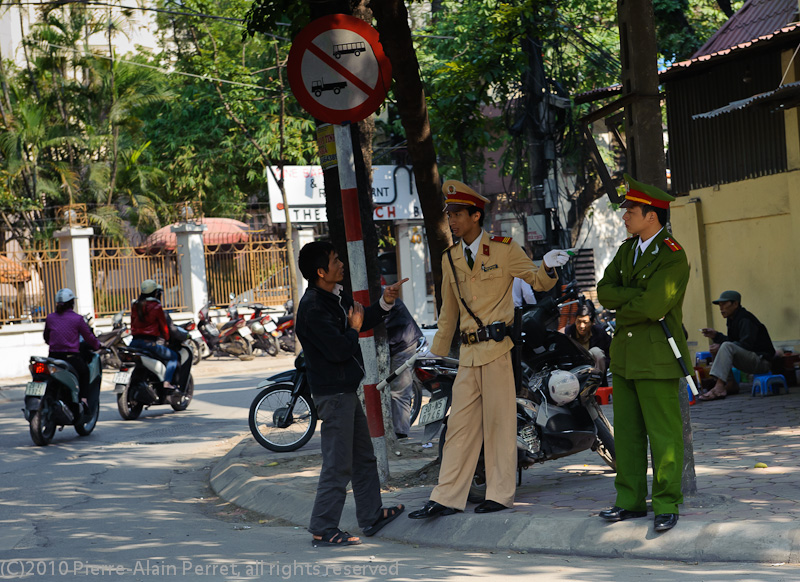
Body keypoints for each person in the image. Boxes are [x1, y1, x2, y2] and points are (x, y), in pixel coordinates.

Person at [408, 179, 567, 519]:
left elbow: (537, 281)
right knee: (459, 429)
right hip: (467, 355)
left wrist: (549, 265)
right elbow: (448, 312)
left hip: (497, 350)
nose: (451, 220)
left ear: (475, 216)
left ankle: (499, 493)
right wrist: (435, 349)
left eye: (457, 214)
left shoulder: (504, 249)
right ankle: (447, 496)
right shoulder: (450, 258)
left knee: (499, 426)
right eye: (449, 214)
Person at [295, 241, 406, 547]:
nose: (341, 264)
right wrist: (354, 329)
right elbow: (340, 349)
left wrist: (385, 301)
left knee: (363, 459)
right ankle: (323, 526)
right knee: (338, 463)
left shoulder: (333, 297)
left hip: (346, 391)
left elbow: (362, 318)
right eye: (334, 261)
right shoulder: (314, 308)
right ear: (320, 272)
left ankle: (371, 516)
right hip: (334, 395)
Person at [596, 174, 690, 534]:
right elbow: (604, 291)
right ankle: (629, 501)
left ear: (652, 215)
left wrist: (626, 302)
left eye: (631, 211)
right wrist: (630, 299)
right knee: (629, 435)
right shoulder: (625, 250)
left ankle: (666, 503)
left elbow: (655, 304)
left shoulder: (673, 256)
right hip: (625, 355)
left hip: (657, 357)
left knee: (664, 435)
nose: (624, 217)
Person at [698, 290, 775, 401]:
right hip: (749, 358)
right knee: (719, 346)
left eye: (724, 304)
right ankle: (730, 384)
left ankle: (719, 386)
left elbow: (745, 345)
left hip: (762, 361)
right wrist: (716, 335)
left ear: (735, 304)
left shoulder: (745, 319)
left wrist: (722, 345)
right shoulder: (732, 319)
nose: (721, 308)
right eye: (720, 305)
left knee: (725, 346)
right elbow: (733, 342)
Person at [43, 288, 102, 412]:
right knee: (85, 372)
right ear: (71, 303)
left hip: (53, 357)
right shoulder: (77, 319)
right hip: (71, 358)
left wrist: (55, 345)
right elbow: (89, 337)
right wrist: (97, 345)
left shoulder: (50, 318)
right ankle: (84, 400)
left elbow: (46, 337)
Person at [384, 297, 424, 439]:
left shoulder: (375, 293)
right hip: (395, 341)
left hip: (403, 343)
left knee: (399, 391)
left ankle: (400, 433)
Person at [130, 279, 179, 391]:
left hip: (134, 342)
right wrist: (167, 339)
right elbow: (164, 326)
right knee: (173, 357)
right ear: (155, 292)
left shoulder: (135, 305)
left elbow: (132, 323)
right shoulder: (156, 306)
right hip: (148, 343)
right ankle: (167, 382)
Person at [564, 299, 611, 372]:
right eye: (578, 322)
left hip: (596, 371)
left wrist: (603, 364)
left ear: (593, 322)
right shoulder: (568, 333)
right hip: (575, 372)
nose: (581, 326)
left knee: (596, 352)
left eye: (585, 322)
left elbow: (611, 354)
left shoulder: (600, 333)